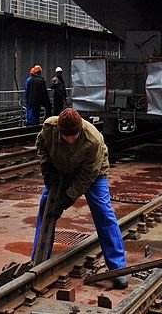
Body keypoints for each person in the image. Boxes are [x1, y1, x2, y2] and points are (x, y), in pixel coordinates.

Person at [33, 108, 128, 288]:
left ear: (79, 130)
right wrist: (47, 168)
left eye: (73, 135)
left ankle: (118, 267)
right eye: (65, 136)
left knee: (103, 212)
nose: (70, 139)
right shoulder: (49, 127)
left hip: (93, 174)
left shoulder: (93, 140)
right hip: (61, 170)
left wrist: (65, 201)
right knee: (46, 206)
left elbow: (86, 177)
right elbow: (41, 146)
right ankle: (38, 260)